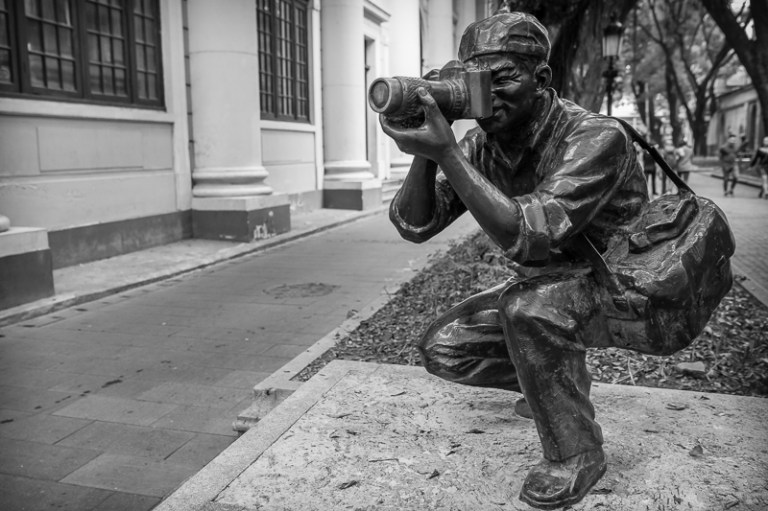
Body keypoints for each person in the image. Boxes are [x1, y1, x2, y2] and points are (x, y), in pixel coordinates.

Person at [380, 11, 650, 510]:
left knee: (528, 310)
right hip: (550, 281)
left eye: (503, 78)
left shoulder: (596, 137)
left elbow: (530, 237)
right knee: (444, 348)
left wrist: (450, 157)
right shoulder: (482, 144)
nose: (488, 95)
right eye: (475, 81)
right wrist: (426, 147)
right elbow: (416, 225)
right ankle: (552, 382)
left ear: (541, 78)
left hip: (622, 283)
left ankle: (578, 453)